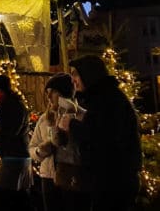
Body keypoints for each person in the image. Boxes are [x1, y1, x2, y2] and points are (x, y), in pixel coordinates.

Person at [59, 55, 141, 211]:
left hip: (114, 181)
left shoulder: (108, 100)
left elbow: (103, 138)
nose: (73, 79)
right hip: (108, 180)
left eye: (76, 74)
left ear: (89, 75)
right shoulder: (102, 98)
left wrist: (72, 125)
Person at [29, 72, 86, 211]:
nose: (48, 97)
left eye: (53, 92)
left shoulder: (82, 116)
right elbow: (32, 146)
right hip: (48, 178)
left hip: (72, 177)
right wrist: (40, 151)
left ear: (64, 94)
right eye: (47, 92)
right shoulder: (44, 119)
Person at [0, 74, 33, 210]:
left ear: (2, 90)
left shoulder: (11, 107)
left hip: (14, 157)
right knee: (16, 196)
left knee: (7, 196)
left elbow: (9, 132)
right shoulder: (12, 105)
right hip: (16, 155)